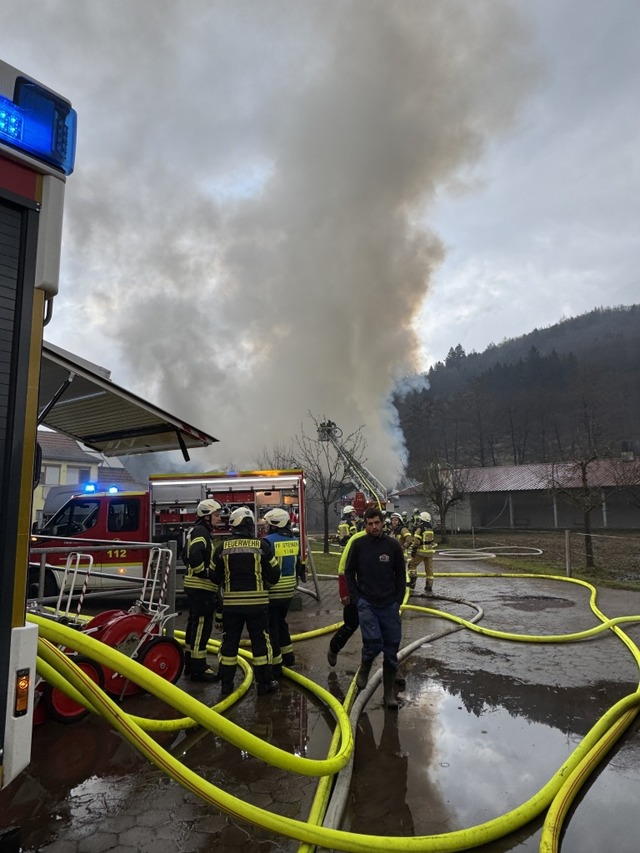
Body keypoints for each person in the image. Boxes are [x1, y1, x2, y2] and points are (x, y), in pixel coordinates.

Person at [211, 506, 281, 698]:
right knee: (260, 643)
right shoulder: (262, 546)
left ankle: (226, 684)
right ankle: (265, 683)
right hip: (258, 606)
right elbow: (275, 575)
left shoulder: (221, 548)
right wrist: (263, 581)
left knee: (229, 644)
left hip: (232, 606)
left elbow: (214, 577)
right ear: (249, 525)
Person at [344, 506, 406, 709]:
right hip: (367, 603)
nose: (374, 527)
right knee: (372, 642)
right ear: (365, 525)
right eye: (370, 524)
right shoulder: (359, 545)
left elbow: (401, 576)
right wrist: (356, 597)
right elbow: (349, 571)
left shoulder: (393, 546)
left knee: (391, 648)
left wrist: (397, 600)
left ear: (383, 523)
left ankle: (388, 694)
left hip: (389, 604)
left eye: (377, 523)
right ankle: (365, 666)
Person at [183, 498, 223, 682]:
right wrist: (205, 572)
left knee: (193, 626)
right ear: (206, 517)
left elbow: (186, 555)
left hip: (195, 587)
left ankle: (190, 664)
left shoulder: (195, 531)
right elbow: (193, 554)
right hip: (201, 588)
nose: (219, 518)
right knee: (201, 628)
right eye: (216, 515)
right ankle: (199, 669)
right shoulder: (201, 532)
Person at [263, 507, 306, 674]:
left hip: (273, 590)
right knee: (281, 622)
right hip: (289, 591)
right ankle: (289, 657)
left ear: (274, 524)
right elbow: (297, 565)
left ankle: (276, 663)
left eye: (267, 523)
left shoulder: (267, 541)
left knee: (271, 626)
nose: (266, 527)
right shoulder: (294, 541)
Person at [407, 511, 436, 594]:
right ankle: (429, 586)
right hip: (430, 552)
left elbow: (416, 541)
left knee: (411, 565)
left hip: (421, 551)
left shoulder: (420, 527)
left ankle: (412, 582)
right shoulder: (430, 527)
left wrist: (413, 550)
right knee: (429, 569)